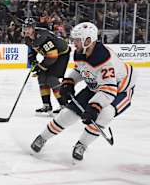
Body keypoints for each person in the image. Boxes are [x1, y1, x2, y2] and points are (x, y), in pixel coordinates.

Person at [30, 22, 135, 161]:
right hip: (97, 85)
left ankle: (82, 145)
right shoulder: (81, 52)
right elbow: (81, 69)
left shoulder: (104, 60)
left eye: (77, 40)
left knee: (105, 113)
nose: (74, 43)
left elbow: (109, 90)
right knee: (68, 114)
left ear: (88, 40)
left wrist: (94, 107)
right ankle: (42, 137)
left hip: (120, 89)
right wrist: (69, 82)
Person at [23, 17, 70, 114]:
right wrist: (33, 61)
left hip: (61, 55)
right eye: (25, 27)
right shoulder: (28, 38)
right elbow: (32, 52)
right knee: (42, 76)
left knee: (52, 78)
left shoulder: (43, 37)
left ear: (34, 28)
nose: (26, 30)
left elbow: (53, 56)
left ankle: (64, 105)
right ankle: (46, 105)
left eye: (29, 28)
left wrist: (40, 66)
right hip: (51, 55)